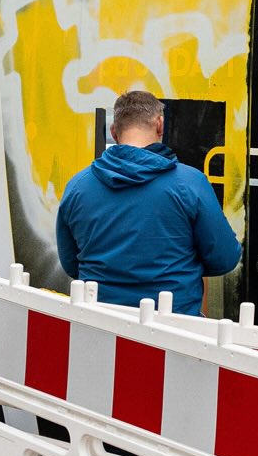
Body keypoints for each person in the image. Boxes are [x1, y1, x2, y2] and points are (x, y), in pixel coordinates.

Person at [56, 90, 242, 315]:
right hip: (174, 328)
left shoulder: (78, 186)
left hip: (100, 323)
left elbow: (70, 264)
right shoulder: (190, 183)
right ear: (160, 124)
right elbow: (225, 258)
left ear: (114, 132)